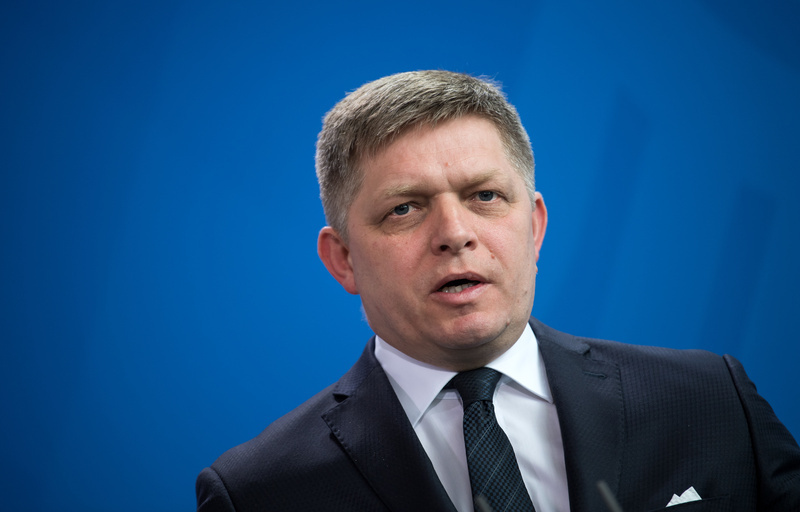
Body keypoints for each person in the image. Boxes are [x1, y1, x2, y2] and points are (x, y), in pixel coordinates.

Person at [196, 70, 800, 511]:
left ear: (534, 227)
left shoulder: (712, 402)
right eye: (404, 209)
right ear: (343, 259)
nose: (454, 233)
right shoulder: (257, 492)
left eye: (485, 196)